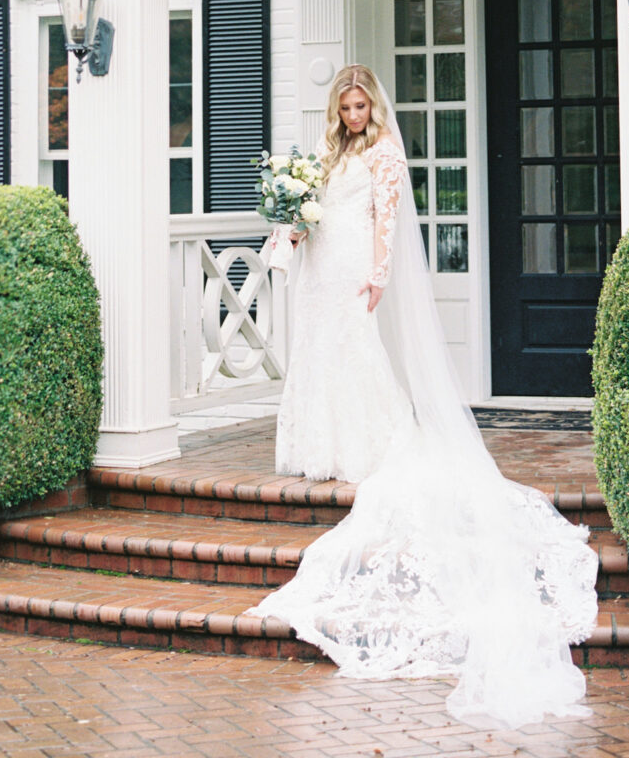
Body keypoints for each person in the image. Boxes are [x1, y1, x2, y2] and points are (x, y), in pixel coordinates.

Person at [253, 65, 599, 730]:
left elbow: (387, 216)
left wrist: (380, 271)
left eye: (361, 105)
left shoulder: (383, 153)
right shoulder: (327, 154)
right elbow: (306, 209)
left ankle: (370, 440)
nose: (354, 114)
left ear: (372, 106)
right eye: (345, 107)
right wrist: (289, 227)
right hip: (321, 262)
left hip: (355, 261)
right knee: (319, 346)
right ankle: (316, 443)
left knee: (355, 348)